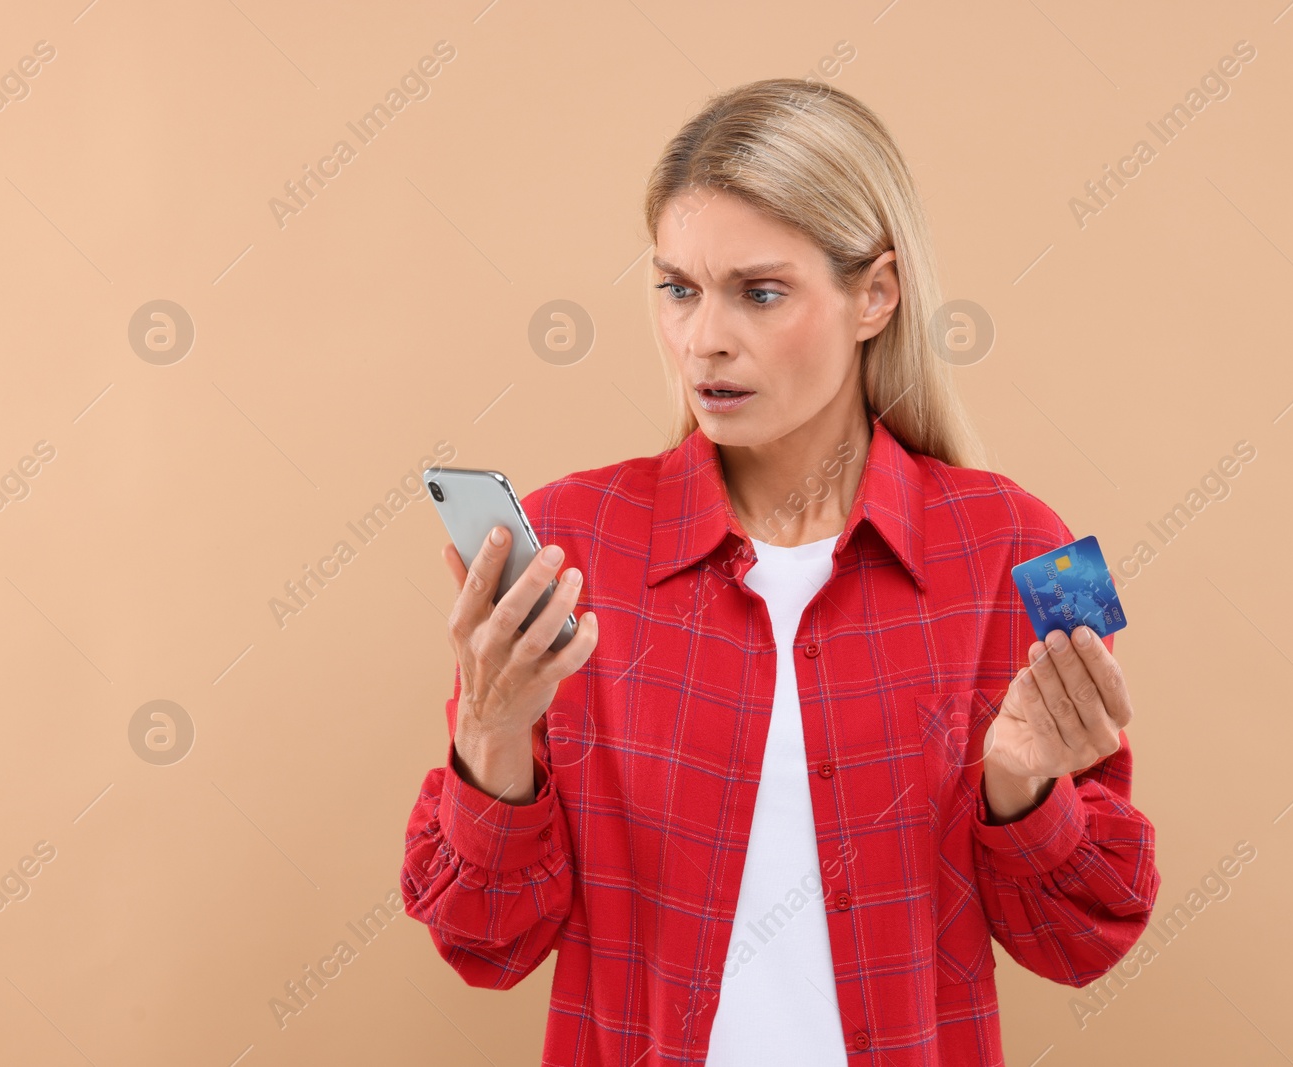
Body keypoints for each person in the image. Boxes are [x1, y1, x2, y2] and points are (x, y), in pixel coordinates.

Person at [401, 77, 1158, 1066]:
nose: (703, 338)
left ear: (874, 294)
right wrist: (490, 739)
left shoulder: (1043, 549)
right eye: (678, 287)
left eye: (759, 291)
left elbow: (1093, 932)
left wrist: (1018, 783)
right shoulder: (559, 541)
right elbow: (481, 942)